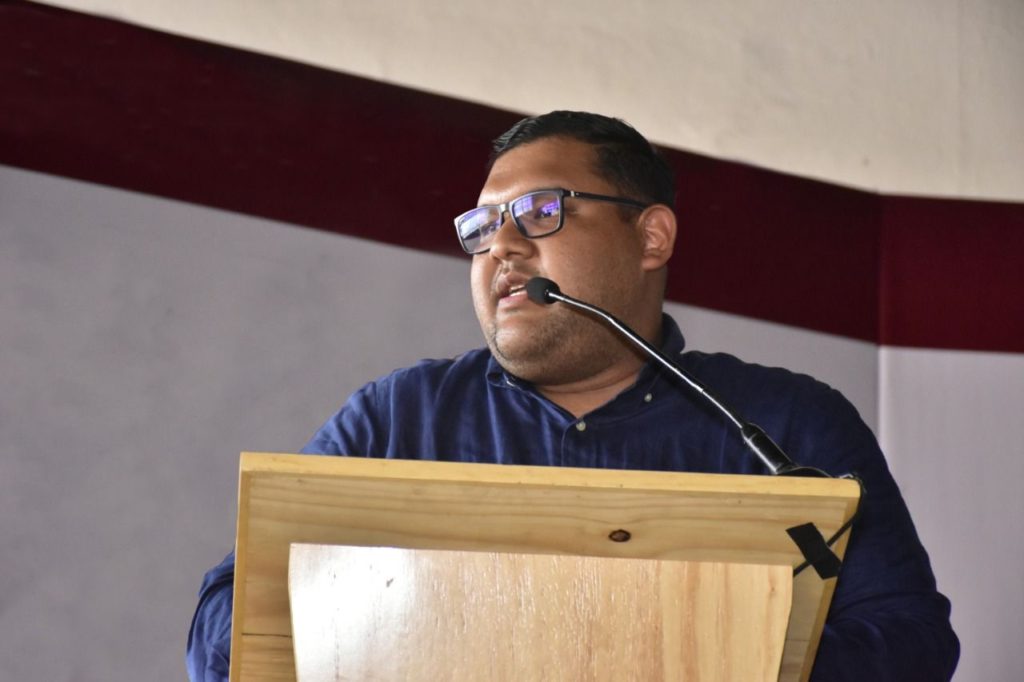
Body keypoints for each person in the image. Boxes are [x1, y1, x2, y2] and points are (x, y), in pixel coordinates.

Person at [187, 111, 959, 681]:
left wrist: (702, 656)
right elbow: (226, 623)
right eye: (482, 227)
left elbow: (911, 641)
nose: (501, 246)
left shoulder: (784, 425)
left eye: (539, 212)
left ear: (651, 237)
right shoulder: (400, 419)